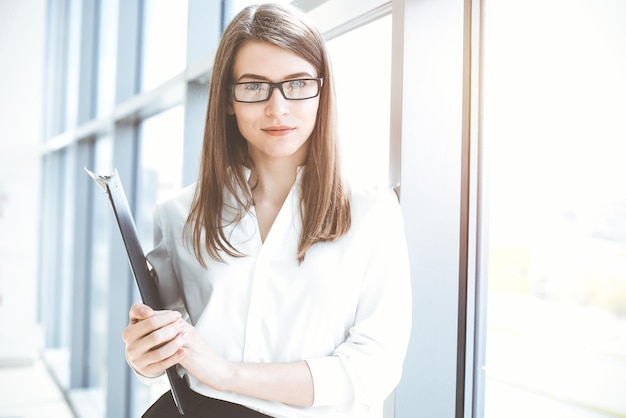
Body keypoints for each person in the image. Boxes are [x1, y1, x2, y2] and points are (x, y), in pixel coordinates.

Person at [121, 3, 411, 417]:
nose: (278, 108)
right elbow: (174, 354)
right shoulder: (178, 214)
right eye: (255, 87)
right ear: (227, 99)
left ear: (322, 91)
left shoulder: (370, 211)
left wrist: (228, 374)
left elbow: (373, 369)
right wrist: (145, 356)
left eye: (297, 83)